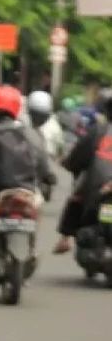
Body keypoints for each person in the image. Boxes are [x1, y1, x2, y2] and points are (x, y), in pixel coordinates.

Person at [52, 95, 112, 255]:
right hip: (103, 189)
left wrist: (69, 164)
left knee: (77, 196)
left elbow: (78, 156)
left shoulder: (98, 130)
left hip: (98, 186)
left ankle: (65, 238)